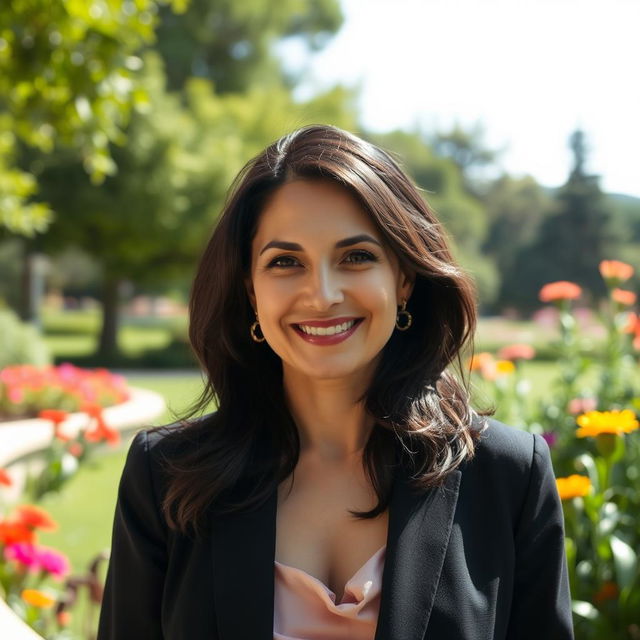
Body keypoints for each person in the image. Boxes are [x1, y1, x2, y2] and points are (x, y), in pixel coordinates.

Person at [97, 125, 574, 640]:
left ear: (404, 278)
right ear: (251, 291)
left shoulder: (508, 476)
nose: (321, 294)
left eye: (356, 257)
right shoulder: (167, 477)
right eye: (285, 262)